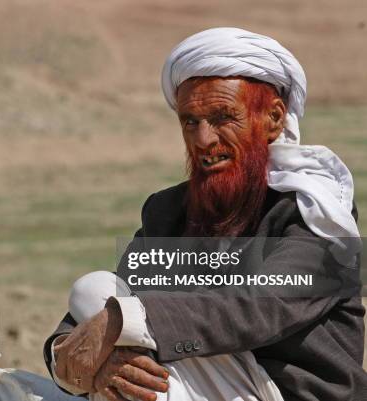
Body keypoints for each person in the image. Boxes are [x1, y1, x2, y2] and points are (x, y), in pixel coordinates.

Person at [43, 27, 366, 401]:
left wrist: (120, 322)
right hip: (195, 384)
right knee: (96, 289)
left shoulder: (314, 213)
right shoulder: (169, 211)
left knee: (124, 314)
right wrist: (67, 357)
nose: (203, 140)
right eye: (190, 121)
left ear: (273, 119)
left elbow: (261, 306)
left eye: (223, 117)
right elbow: (106, 302)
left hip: (287, 394)